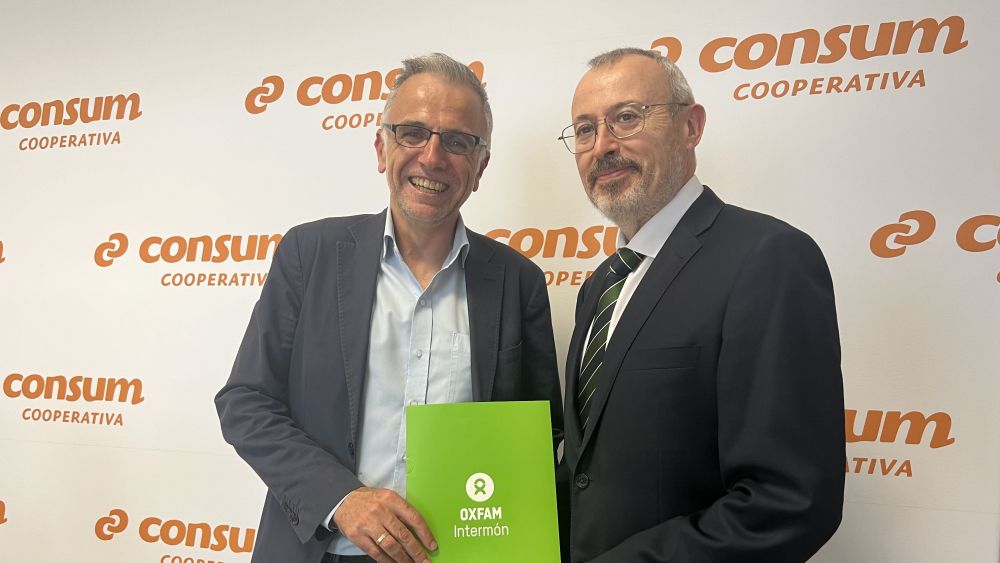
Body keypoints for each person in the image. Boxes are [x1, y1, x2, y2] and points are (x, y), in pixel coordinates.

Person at [216, 53, 562, 563]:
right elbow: (246, 401)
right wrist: (341, 498)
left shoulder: (518, 282)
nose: (432, 157)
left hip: (456, 555)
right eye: (412, 133)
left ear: (480, 167)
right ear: (382, 148)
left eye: (458, 141)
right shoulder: (309, 254)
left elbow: (540, 434)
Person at [556, 48, 845, 562]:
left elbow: (788, 502)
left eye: (626, 118)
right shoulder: (601, 285)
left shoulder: (768, 258)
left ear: (690, 127)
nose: (602, 146)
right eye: (584, 130)